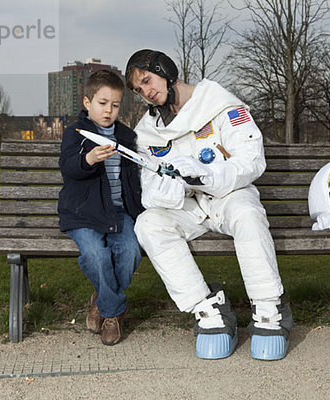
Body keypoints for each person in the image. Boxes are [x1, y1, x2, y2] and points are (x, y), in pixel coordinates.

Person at [125, 49, 293, 360]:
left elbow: (251, 161)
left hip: (228, 195)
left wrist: (208, 175)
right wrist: (165, 188)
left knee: (247, 213)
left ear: (166, 69)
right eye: (139, 90)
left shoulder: (219, 104)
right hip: (188, 206)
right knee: (148, 224)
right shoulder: (147, 131)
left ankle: (270, 307)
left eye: (147, 81)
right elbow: (147, 184)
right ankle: (208, 309)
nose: (146, 92)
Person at [58, 69, 144, 346]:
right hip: (83, 213)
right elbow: (69, 168)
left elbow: (134, 180)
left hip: (118, 211)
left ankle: (100, 301)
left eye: (115, 104)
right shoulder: (76, 134)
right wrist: (89, 159)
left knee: (131, 251)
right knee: (96, 255)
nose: (109, 110)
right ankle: (113, 313)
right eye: (102, 103)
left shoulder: (127, 137)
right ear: (87, 103)